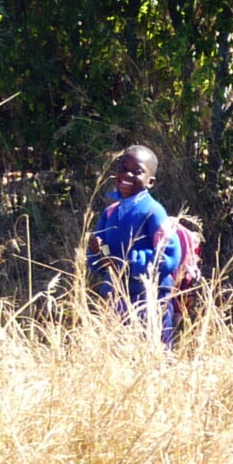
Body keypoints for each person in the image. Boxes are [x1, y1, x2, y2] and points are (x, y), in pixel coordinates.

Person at [87, 145, 182, 345]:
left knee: (154, 349)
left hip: (149, 296)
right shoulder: (110, 212)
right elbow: (99, 260)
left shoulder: (154, 212)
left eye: (137, 171)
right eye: (123, 168)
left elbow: (168, 256)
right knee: (118, 350)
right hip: (116, 295)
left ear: (151, 181)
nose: (127, 175)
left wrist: (128, 263)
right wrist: (97, 251)